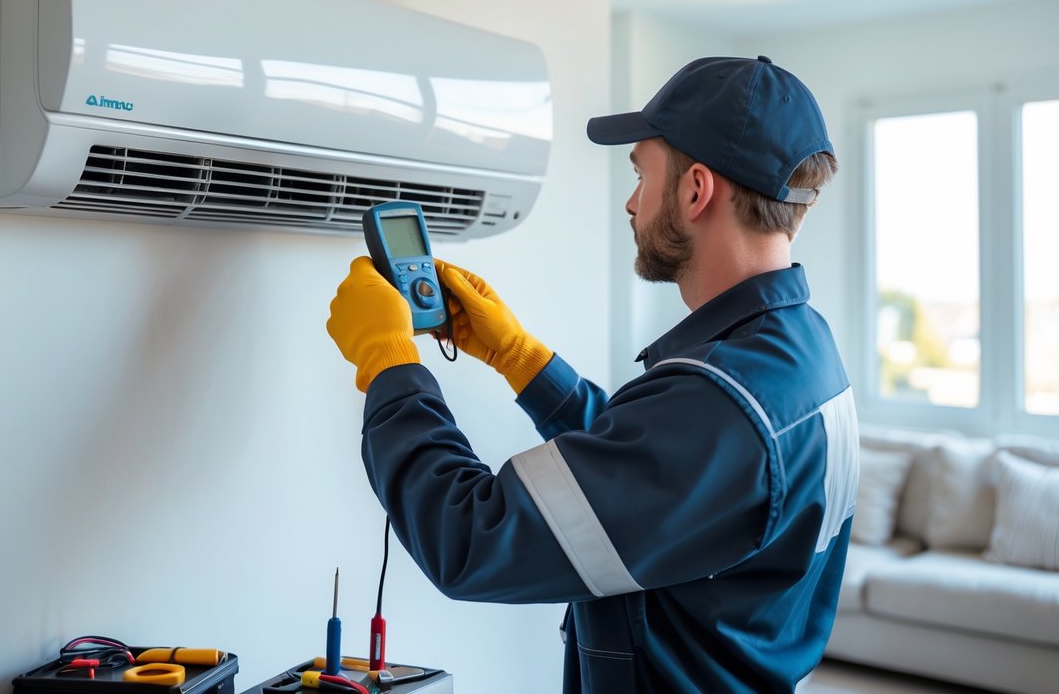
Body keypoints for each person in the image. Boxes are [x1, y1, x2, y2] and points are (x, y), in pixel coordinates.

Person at [326, 55, 858, 693]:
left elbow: (468, 538)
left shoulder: (719, 405)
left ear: (696, 189)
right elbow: (663, 479)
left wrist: (389, 365)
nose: (631, 203)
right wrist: (522, 361)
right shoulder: (800, 353)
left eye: (641, 175)